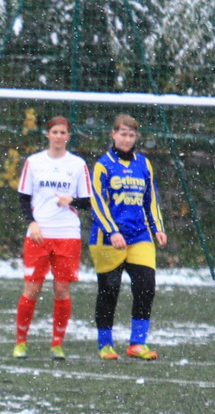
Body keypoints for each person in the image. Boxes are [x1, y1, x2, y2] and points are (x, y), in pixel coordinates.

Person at [88, 113, 167, 360]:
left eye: (132, 135)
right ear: (113, 134)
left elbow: (150, 199)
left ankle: (137, 343)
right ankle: (105, 344)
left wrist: (157, 227)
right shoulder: (103, 165)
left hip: (139, 235)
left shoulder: (143, 164)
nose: (127, 139)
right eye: (123, 134)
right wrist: (112, 231)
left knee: (146, 286)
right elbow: (97, 202)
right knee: (109, 289)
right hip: (107, 238)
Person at [13, 116, 91, 360]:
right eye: (55, 132)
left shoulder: (77, 164)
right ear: (47, 135)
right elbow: (24, 198)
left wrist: (72, 200)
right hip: (39, 234)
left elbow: (87, 202)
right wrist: (32, 223)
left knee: (62, 289)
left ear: (68, 136)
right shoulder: (34, 162)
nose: (58, 136)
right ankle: (20, 342)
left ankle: (57, 344)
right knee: (32, 288)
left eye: (63, 132)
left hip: (67, 235)